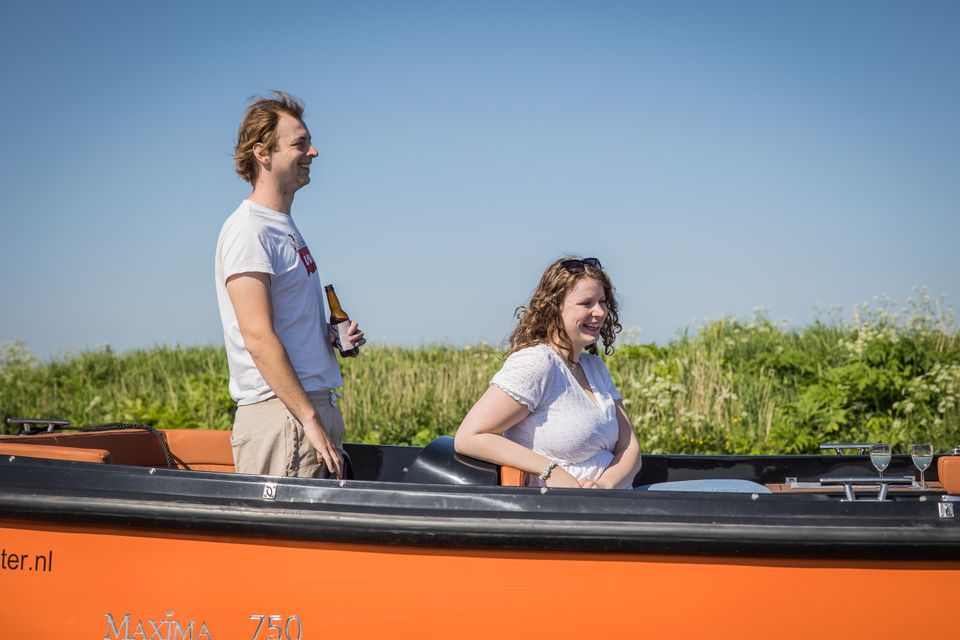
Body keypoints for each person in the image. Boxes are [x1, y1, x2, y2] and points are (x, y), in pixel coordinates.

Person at [215, 91, 365, 479]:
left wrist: (328, 336)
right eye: (300, 144)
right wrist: (309, 419)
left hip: (305, 412)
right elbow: (257, 337)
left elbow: (284, 325)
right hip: (285, 417)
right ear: (263, 153)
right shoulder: (250, 230)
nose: (313, 152)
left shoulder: (281, 226)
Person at [455, 257, 641, 489]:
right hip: (559, 505)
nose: (600, 312)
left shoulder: (594, 367)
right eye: (586, 303)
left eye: (603, 302)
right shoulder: (537, 362)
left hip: (614, 499)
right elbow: (470, 436)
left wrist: (604, 487)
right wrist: (550, 470)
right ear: (555, 307)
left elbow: (629, 448)